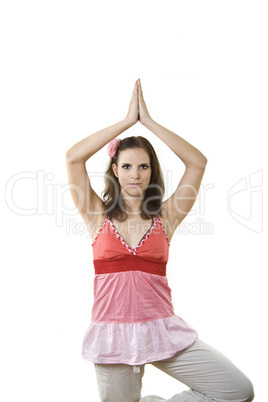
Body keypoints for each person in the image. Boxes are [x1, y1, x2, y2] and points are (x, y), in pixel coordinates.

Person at [66, 79, 254, 402]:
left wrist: (149, 123)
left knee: (238, 390)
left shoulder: (166, 217)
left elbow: (197, 163)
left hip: (163, 332)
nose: (135, 174)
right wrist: (126, 122)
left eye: (143, 166)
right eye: (126, 166)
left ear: (152, 171)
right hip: (113, 340)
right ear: (115, 169)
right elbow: (72, 159)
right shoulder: (96, 215)